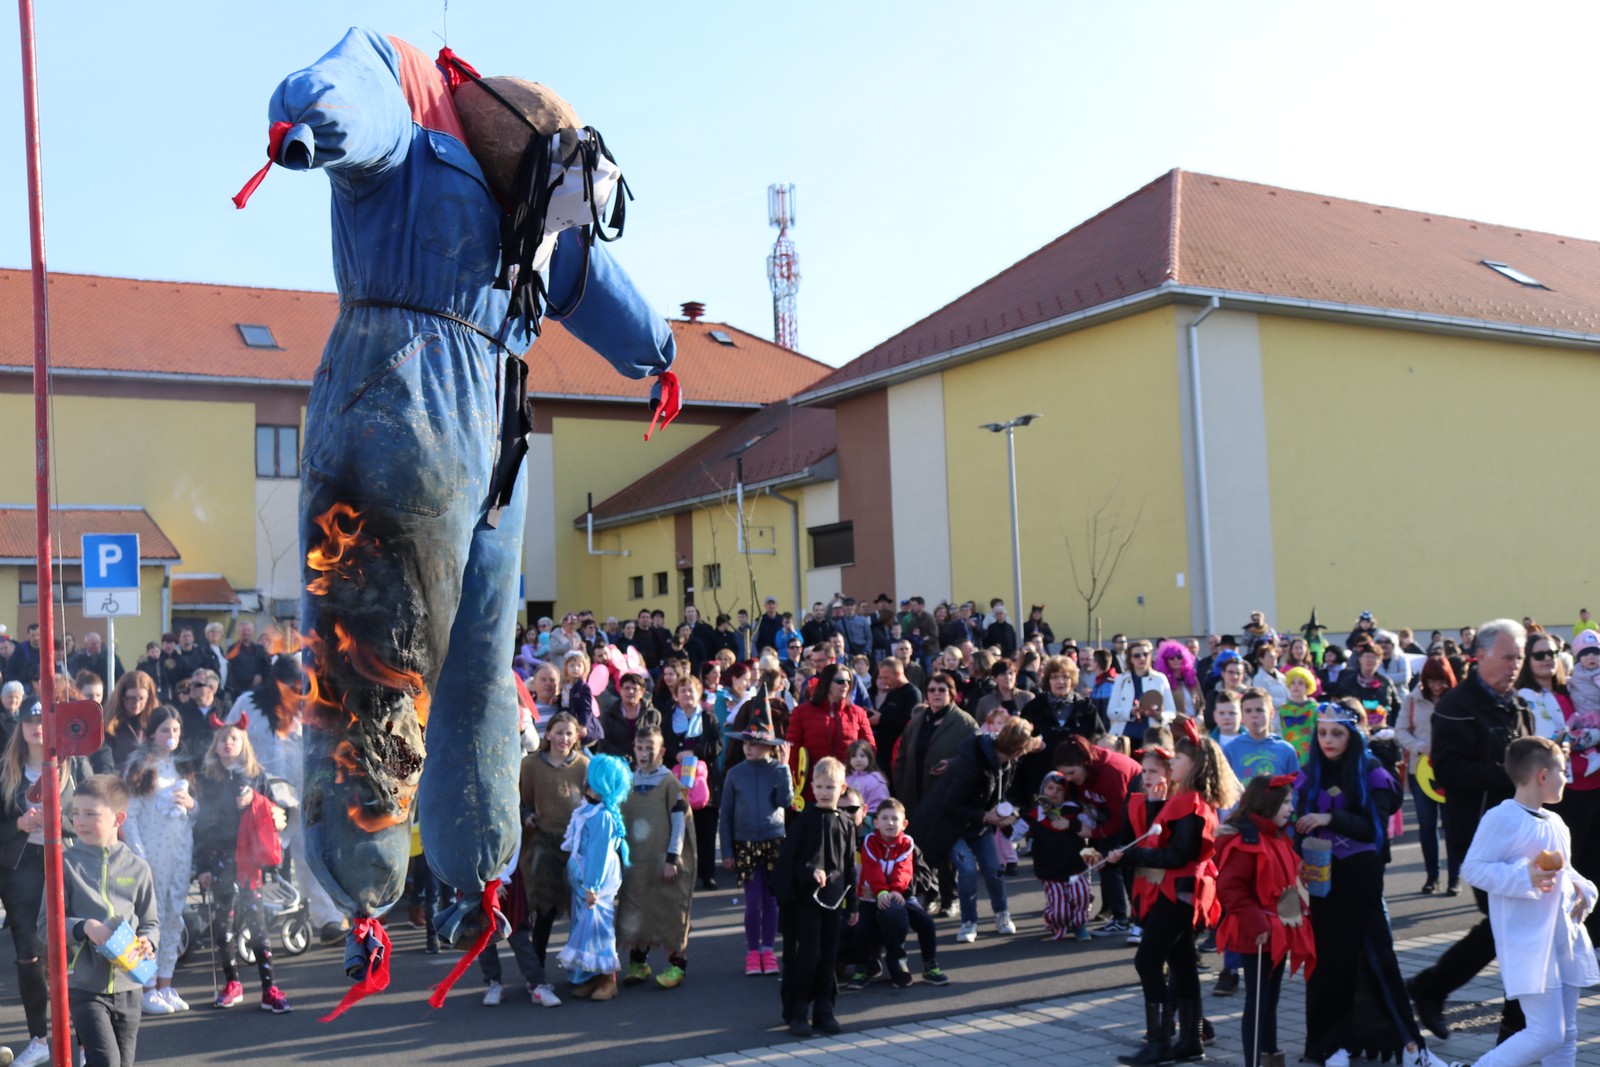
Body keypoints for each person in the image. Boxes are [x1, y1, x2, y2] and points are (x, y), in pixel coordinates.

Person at [1296, 703, 1454, 1067]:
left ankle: (1413, 1049)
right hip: (1322, 882)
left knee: (1378, 962)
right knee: (1326, 966)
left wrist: (1329, 817)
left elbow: (1374, 832)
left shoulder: (1373, 773)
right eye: (1322, 733)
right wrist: (1296, 857)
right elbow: (1295, 828)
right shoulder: (1308, 774)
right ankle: (1326, 1046)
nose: (1328, 740)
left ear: (1352, 735)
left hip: (1361, 879)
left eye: (1336, 733)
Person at [1408, 620, 1535, 1042]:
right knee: (1509, 927)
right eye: (1508, 657)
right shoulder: (1458, 704)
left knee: (1514, 928)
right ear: (1479, 657)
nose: (1515, 665)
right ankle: (1437, 990)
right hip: (1481, 837)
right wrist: (1513, 776)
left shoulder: (1517, 703)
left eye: (1519, 657)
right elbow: (1448, 770)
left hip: (1522, 834)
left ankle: (1507, 1025)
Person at [1460, 736, 1598, 1067]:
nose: (1567, 778)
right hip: (1529, 944)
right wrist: (1525, 878)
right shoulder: (1502, 817)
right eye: (1563, 771)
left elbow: (1566, 872)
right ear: (1542, 775)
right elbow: (1474, 868)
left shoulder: (1556, 822)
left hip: (1564, 940)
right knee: (1545, 1033)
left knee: (1564, 1035)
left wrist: (1585, 889)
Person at [1109, 722, 1237, 1065]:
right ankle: (1190, 1040)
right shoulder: (1185, 798)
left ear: (1193, 764)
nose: (1174, 761)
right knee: (1180, 962)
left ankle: (1159, 1041)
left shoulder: (1192, 802)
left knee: (1148, 959)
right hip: (1179, 889)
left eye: (1179, 757)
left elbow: (1179, 855)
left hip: (1181, 890)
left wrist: (1132, 854)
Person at [3, 700, 92, 1067]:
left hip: (68, 865)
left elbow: (94, 813)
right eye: (30, 720)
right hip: (20, 871)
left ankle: (85, 1041)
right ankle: (39, 1039)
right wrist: (18, 826)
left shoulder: (75, 765)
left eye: (43, 720)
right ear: (20, 727)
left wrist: (59, 820)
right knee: (29, 956)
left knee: (75, 954)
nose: (37, 726)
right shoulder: (6, 771)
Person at [56, 775, 158, 1067]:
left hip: (130, 989)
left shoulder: (138, 867)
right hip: (85, 987)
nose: (80, 821)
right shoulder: (64, 863)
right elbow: (46, 925)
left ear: (118, 818)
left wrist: (148, 942)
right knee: (107, 1063)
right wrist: (85, 927)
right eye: (75, 813)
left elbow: (151, 922)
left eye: (90, 813)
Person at [1214, 774, 1314, 1067]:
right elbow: (1231, 888)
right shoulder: (1248, 839)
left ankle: (1271, 1055)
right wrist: (1257, 923)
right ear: (1267, 803)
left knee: (1271, 1000)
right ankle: (1254, 1062)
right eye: (1285, 802)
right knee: (1257, 1003)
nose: (1290, 807)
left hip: (1279, 930)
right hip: (1257, 934)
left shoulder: (1278, 835)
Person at [912, 718, 1039, 943]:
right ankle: (969, 921)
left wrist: (1005, 812)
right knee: (968, 870)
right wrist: (985, 816)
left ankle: (1002, 913)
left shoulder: (1005, 761)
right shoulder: (971, 766)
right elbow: (949, 805)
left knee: (993, 868)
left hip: (977, 823)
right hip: (949, 824)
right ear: (1018, 750)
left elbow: (999, 794)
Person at [193, 724, 291, 1013]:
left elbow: (275, 813)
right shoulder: (208, 779)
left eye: (233, 738)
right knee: (223, 925)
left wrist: (255, 801)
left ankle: (269, 987)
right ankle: (232, 982)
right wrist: (203, 866)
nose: (227, 743)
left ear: (243, 743)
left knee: (257, 924)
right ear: (215, 745)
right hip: (219, 857)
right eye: (222, 738)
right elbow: (202, 825)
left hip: (249, 860)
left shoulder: (256, 775)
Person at [502, 712, 587, 1008]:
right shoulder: (530, 765)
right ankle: (535, 974)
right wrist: (526, 815)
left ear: (577, 737)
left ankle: (584, 970)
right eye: (559, 732)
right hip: (541, 845)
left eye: (570, 733)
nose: (564, 738)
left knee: (580, 911)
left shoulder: (583, 766)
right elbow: (517, 800)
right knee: (542, 911)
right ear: (548, 734)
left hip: (574, 848)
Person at [120, 708, 197, 1014]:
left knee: (174, 917)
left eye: (176, 731)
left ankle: (166, 984)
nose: (171, 736)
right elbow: (129, 817)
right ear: (152, 733)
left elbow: (195, 812)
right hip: (152, 853)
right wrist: (140, 856)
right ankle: (147, 984)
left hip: (180, 850)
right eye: (165, 730)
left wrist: (192, 804)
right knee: (150, 918)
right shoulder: (140, 766)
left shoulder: (183, 766)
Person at [774, 756, 857, 1037]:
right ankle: (799, 1010)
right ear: (811, 786)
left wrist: (853, 903)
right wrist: (811, 871)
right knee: (807, 955)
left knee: (828, 957)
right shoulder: (804, 820)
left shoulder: (846, 823)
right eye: (819, 786)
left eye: (830, 787)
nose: (824, 792)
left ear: (842, 789)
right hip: (805, 902)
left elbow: (848, 867)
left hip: (834, 901)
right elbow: (788, 862)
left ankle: (824, 1009)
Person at [617, 714, 696, 990]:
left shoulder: (669, 783)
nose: (644, 752)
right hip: (637, 861)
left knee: (668, 910)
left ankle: (677, 964)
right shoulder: (628, 780)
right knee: (637, 908)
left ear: (661, 751)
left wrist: (672, 858)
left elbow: (679, 824)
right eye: (640, 747)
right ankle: (639, 962)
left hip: (664, 860)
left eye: (650, 747)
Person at [718, 711, 792, 977]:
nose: (748, 747)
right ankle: (752, 952)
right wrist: (727, 850)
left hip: (774, 840)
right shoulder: (735, 774)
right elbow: (725, 814)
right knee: (753, 901)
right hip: (745, 843)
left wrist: (785, 768)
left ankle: (769, 951)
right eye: (745, 743)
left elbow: (785, 801)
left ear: (768, 746)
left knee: (772, 900)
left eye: (754, 743)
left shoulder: (777, 769)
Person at [847, 797, 946, 988]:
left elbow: (904, 869)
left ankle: (929, 964)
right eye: (884, 818)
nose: (890, 823)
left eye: (895, 819)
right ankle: (864, 966)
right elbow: (872, 868)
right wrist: (882, 892)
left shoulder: (908, 844)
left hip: (901, 896)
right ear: (876, 822)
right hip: (871, 898)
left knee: (926, 923)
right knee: (861, 929)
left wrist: (897, 891)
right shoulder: (868, 843)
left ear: (904, 824)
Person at [557, 754, 632, 1003]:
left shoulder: (602, 817)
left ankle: (608, 981)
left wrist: (592, 887)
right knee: (585, 930)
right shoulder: (589, 809)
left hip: (595, 886)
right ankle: (589, 978)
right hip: (583, 884)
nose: (585, 782)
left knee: (599, 930)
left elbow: (598, 856)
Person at [1053, 734, 1141, 937]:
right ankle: (1124, 916)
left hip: (1130, 817)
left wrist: (1095, 832)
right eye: (1064, 774)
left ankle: (1129, 919)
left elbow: (1121, 816)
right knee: (1103, 862)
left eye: (1071, 773)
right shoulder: (1081, 774)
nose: (1068, 779)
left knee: (1116, 864)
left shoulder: (1112, 772)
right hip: (1107, 816)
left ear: (1084, 762)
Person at [1397, 657, 1460, 895]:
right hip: (1420, 770)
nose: (1436, 686)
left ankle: (1455, 877)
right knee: (1426, 824)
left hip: (1451, 771)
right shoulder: (1412, 700)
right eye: (1432, 680)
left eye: (1441, 681)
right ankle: (1432, 876)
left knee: (1453, 825)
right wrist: (1420, 746)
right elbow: (1400, 730)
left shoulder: (1457, 700)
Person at [786, 664, 875, 805]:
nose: (845, 685)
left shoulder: (858, 713)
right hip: (811, 791)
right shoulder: (801, 712)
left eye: (848, 681)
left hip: (848, 793)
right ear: (827, 682)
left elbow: (869, 749)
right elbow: (792, 751)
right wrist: (795, 784)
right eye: (840, 681)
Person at [1023, 771, 1093, 941]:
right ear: (1042, 790)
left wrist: (1072, 823)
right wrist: (1006, 818)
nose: (1054, 792)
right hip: (1050, 869)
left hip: (1076, 866)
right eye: (1050, 788)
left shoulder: (1073, 810)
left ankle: (1079, 924)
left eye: (1059, 789)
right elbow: (1013, 833)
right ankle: (1056, 920)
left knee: (1082, 896)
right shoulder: (1034, 815)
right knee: (1061, 910)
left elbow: (1089, 829)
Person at [94, 670, 161, 776]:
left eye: (141, 699)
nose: (137, 704)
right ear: (121, 697)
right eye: (131, 699)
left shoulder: (156, 720)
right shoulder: (108, 723)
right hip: (119, 779)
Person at [1105, 641, 1176, 740]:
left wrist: (1158, 715)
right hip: (1125, 736)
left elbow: (1171, 712)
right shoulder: (1121, 679)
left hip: (1153, 737)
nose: (1142, 658)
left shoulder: (1160, 678)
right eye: (1137, 655)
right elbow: (1111, 712)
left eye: (1145, 654)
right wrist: (1131, 712)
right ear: (1130, 659)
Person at [1335, 643, 1402, 729]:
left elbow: (1397, 707)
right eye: (1367, 656)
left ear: (1379, 662)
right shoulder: (1348, 684)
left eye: (1374, 657)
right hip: (1358, 731)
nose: (1370, 660)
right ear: (1360, 659)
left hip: (1384, 730)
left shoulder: (1386, 683)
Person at [1278, 667, 1320, 764]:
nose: (1296, 686)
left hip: (1309, 752)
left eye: (1300, 683)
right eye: (1293, 683)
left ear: (1307, 686)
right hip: (1289, 751)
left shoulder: (1314, 708)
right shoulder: (1284, 708)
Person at [1154, 640, 1201, 720]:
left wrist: (1200, 715)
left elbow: (1202, 702)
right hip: (1177, 726)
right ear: (1165, 661)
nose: (1176, 660)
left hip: (1196, 725)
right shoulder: (1163, 681)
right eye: (1171, 658)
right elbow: (1165, 709)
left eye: (1179, 657)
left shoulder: (1192, 678)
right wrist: (1185, 720)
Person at [844, 739, 890, 819]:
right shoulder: (846, 779)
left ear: (869, 757)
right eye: (854, 756)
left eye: (862, 756)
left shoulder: (876, 780)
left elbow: (880, 805)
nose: (858, 759)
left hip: (869, 821)